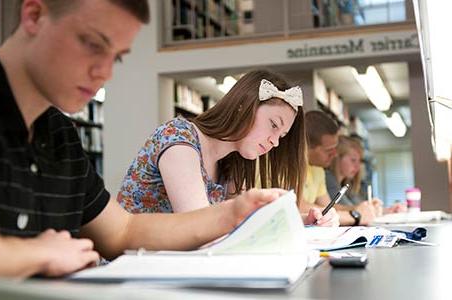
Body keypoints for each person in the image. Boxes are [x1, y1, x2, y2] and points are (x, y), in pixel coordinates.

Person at [0, 0, 287, 278]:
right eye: (93, 44)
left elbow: (122, 231)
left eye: (117, 57)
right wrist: (37, 253)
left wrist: (231, 214)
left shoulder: (59, 133)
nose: (105, 73)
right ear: (35, 15)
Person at [118, 70, 338, 227]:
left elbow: (241, 220)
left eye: (281, 135)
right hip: (127, 275)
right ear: (244, 105)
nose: (275, 142)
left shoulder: (232, 162)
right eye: (273, 125)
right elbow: (200, 228)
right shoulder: (178, 138)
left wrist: (305, 220)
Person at [299, 111, 377, 226]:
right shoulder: (289, 167)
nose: (335, 154)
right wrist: (355, 215)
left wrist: (360, 210)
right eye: (328, 150)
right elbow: (297, 206)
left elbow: (329, 207)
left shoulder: (318, 170)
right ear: (307, 147)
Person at [326, 136, 406, 219]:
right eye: (353, 160)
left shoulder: (347, 183)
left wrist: (386, 210)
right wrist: (374, 208)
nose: (357, 166)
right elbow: (350, 209)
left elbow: (359, 208)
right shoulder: (328, 178)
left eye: (359, 161)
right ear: (337, 158)